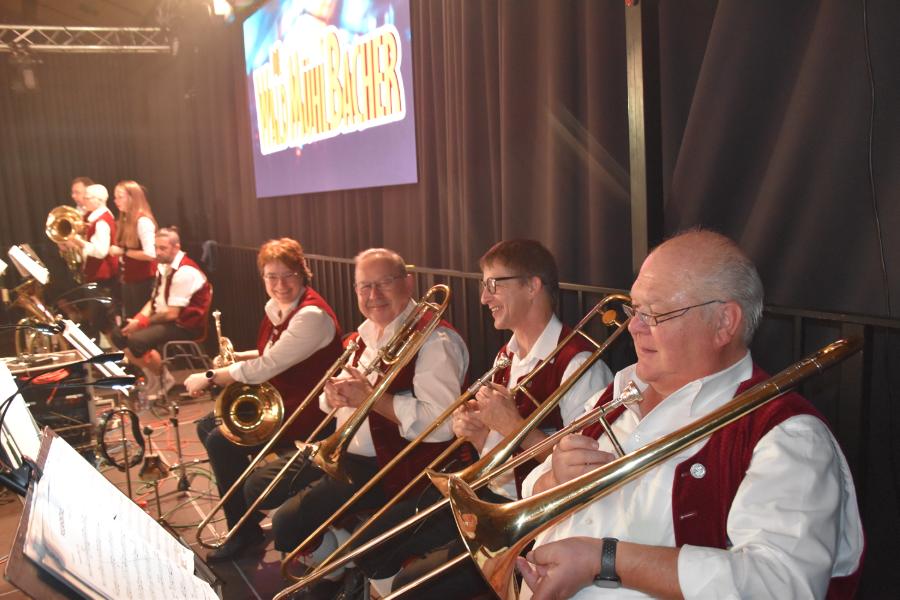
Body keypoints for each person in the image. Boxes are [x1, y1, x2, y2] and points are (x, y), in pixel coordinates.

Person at [514, 229, 864, 600]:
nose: (633, 326)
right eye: (635, 309)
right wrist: (554, 477)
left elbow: (779, 585)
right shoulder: (618, 391)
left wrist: (603, 560)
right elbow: (533, 487)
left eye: (654, 313)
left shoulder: (788, 435)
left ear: (724, 323)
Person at [350, 239, 614, 598]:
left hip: (534, 520)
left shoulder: (579, 364)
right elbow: (500, 453)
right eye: (483, 285)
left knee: (411, 587)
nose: (484, 298)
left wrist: (514, 427)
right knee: (372, 544)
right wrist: (477, 435)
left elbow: (587, 474)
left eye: (493, 285)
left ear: (532, 286)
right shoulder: (507, 355)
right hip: (491, 497)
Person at [263, 248, 469, 598]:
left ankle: (353, 572)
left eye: (383, 283)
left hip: (394, 468)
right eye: (364, 286)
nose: (373, 295)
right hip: (344, 455)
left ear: (408, 283)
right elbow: (330, 400)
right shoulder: (361, 337)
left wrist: (372, 398)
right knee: (263, 489)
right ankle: (338, 562)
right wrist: (333, 396)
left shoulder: (436, 341)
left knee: (287, 521)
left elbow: (442, 425)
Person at [182, 238, 344, 562]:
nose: (280, 284)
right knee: (207, 426)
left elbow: (269, 365)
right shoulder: (280, 308)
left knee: (220, 441)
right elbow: (275, 354)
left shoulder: (310, 315)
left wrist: (212, 376)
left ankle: (243, 532)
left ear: (303, 273)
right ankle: (246, 511)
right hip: (285, 402)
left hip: (309, 413)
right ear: (263, 278)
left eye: (288, 275)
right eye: (272, 277)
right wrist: (237, 358)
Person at [112, 227, 210, 399]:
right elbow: (154, 301)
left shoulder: (185, 271)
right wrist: (137, 320)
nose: (157, 252)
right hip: (168, 320)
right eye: (156, 247)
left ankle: (163, 378)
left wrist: (142, 324)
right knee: (119, 335)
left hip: (185, 325)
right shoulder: (164, 266)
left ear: (176, 247)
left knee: (136, 341)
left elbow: (172, 314)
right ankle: (154, 377)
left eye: (163, 248)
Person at [58, 183, 119, 339]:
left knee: (100, 320)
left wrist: (79, 242)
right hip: (94, 274)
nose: (83, 200)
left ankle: (109, 349)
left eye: (87, 197)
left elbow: (101, 252)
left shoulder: (102, 222)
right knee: (99, 320)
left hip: (102, 277)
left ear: (98, 200)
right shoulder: (92, 218)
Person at [108, 181, 158, 317]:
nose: (116, 201)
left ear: (132, 198)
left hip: (144, 281)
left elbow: (150, 254)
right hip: (130, 280)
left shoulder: (143, 221)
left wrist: (123, 252)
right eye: (115, 197)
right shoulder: (126, 220)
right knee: (129, 317)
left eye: (120, 197)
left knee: (139, 319)